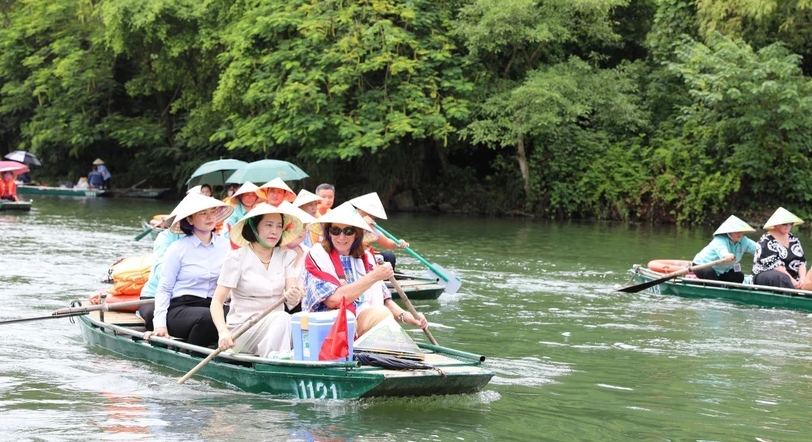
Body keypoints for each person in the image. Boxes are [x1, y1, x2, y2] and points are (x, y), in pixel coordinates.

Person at [302, 202, 428, 337]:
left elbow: (386, 301)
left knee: (382, 314)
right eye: (336, 231)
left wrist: (407, 316)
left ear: (357, 234)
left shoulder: (367, 258)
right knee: (349, 319)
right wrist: (373, 276)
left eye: (348, 231)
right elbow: (333, 300)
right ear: (329, 233)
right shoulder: (317, 255)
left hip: (359, 319)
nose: (341, 237)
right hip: (325, 325)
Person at [211, 203, 308, 357]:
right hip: (242, 331)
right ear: (254, 228)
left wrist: (294, 295)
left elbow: (293, 295)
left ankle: (276, 358)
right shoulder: (236, 258)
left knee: (289, 319)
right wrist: (223, 332)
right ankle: (276, 360)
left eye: (279, 226)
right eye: (268, 225)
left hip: (277, 328)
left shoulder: (286, 257)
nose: (274, 231)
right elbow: (217, 301)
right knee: (283, 318)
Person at [143, 193, 234, 349]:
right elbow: (164, 288)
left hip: (213, 305)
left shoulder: (225, 246)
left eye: (212, 212)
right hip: (181, 307)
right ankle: (191, 356)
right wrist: (159, 325)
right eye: (203, 213)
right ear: (190, 220)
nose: (209, 217)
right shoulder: (177, 248)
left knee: (236, 317)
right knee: (208, 318)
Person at [349, 192, 408, 271]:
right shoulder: (349, 219)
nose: (372, 216)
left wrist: (397, 243)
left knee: (389, 256)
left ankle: (386, 280)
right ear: (360, 208)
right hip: (350, 253)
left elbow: (386, 242)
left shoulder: (371, 223)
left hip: (364, 253)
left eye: (373, 214)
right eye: (368, 212)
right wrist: (361, 225)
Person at [692, 215, 757, 283]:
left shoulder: (744, 241)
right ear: (729, 232)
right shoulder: (720, 239)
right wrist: (727, 255)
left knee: (739, 276)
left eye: (741, 231)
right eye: (736, 231)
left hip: (722, 270)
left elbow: (758, 249)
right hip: (701, 265)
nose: (740, 234)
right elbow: (722, 250)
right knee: (710, 273)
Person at [752, 207, 806, 289]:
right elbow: (776, 266)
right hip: (768, 274)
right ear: (776, 224)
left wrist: (802, 279)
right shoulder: (766, 240)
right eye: (784, 224)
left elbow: (801, 262)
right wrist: (793, 281)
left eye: (790, 223)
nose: (788, 226)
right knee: (781, 278)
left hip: (793, 277)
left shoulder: (794, 239)